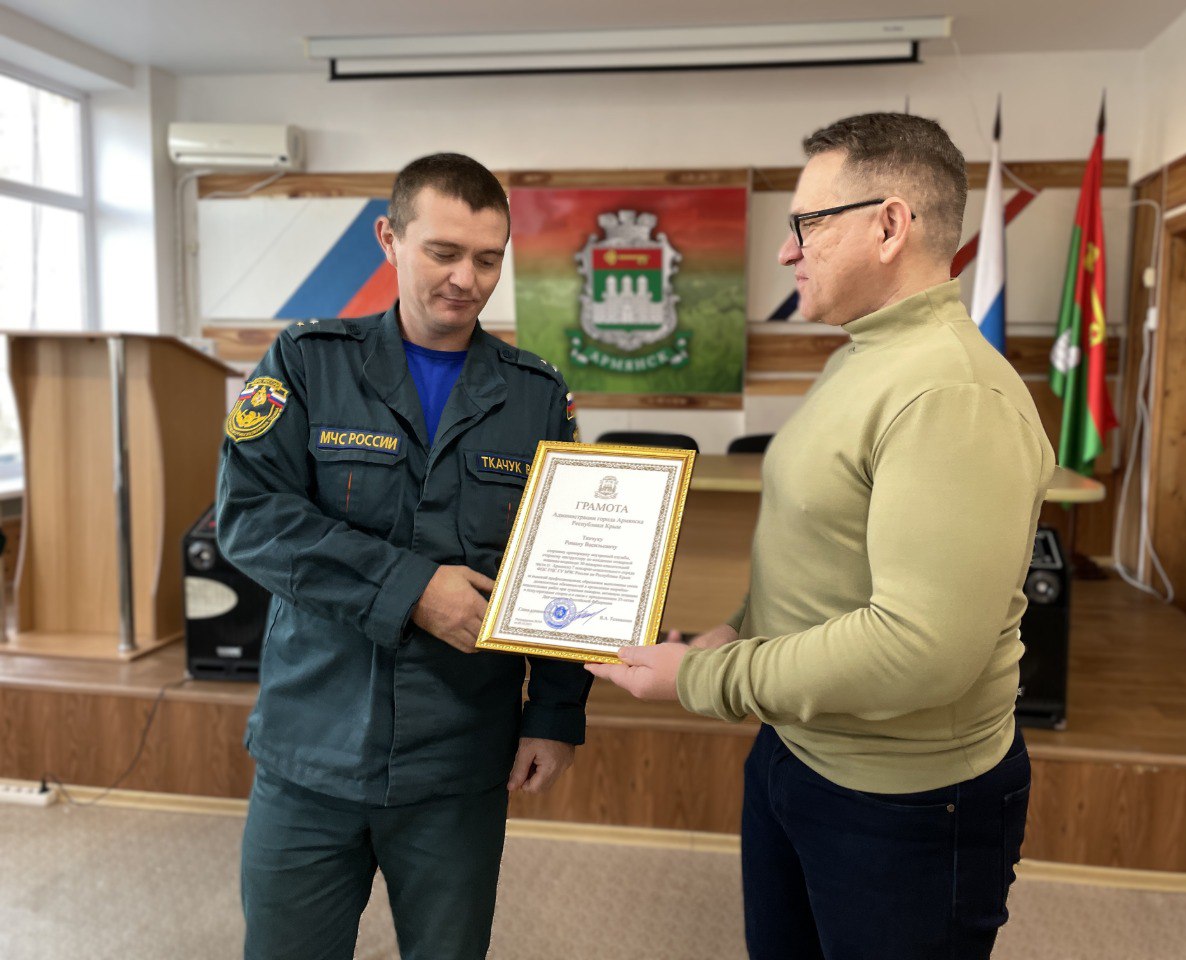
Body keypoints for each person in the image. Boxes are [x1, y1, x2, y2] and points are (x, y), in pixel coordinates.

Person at [588, 113, 1056, 960]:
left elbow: (921, 650)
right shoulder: (858, 357)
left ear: (889, 226)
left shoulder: (950, 393)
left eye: (807, 224)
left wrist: (707, 675)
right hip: (795, 749)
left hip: (901, 803)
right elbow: (814, 542)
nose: (785, 251)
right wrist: (739, 628)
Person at [217, 152, 591, 960]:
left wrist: (557, 711)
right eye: (444, 253)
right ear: (390, 238)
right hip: (311, 746)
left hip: (458, 756)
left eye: (488, 259)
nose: (467, 279)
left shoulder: (536, 395)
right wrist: (414, 589)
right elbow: (250, 517)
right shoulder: (305, 363)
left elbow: (564, 563)